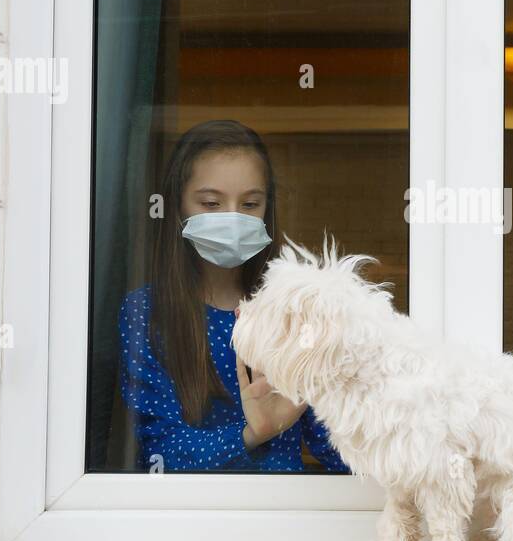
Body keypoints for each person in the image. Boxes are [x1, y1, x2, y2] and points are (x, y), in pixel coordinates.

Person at [118, 120, 349, 473]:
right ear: (178, 207)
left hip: (289, 516)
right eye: (211, 203)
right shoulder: (148, 311)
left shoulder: (296, 312)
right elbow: (159, 455)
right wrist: (252, 433)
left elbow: (345, 452)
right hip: (186, 519)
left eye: (250, 204)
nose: (231, 219)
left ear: (267, 208)